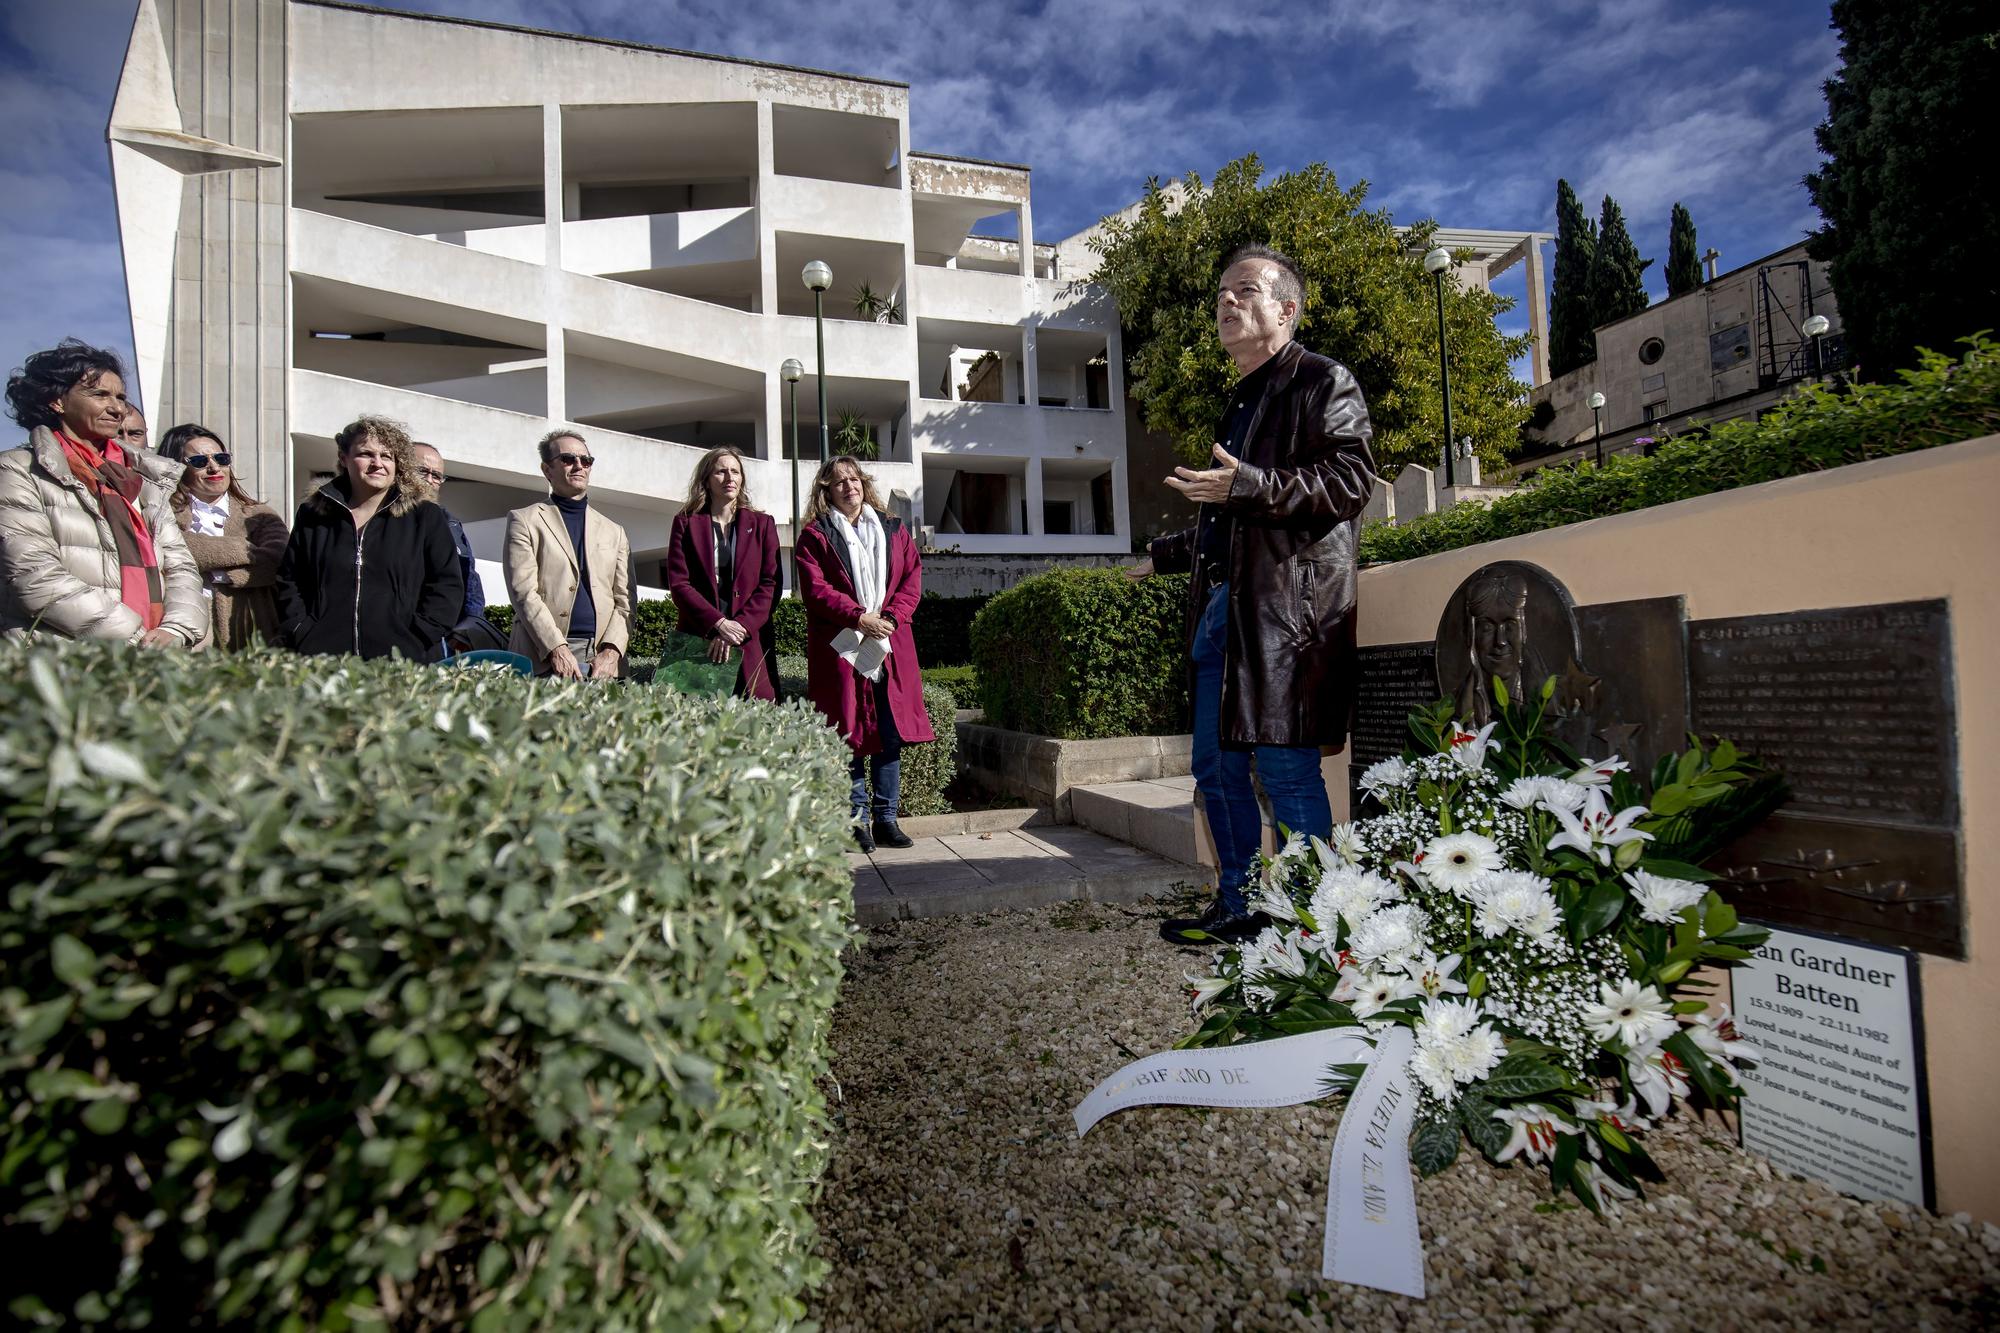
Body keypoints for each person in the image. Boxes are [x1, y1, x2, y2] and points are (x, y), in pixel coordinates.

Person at [1130, 244, 1377, 944]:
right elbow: (1231, 520)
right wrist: (1166, 554)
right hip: (1223, 614)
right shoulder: (1243, 400)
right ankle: (1239, 906)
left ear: (1287, 309)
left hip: (1283, 621)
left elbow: (1348, 484)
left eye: (1245, 291)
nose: (1227, 303)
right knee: (1215, 768)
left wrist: (1247, 485)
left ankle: (1320, 923)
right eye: (1221, 295)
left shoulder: (1323, 382)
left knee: (1285, 766)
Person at [0, 339, 204, 645]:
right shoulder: (19, 470)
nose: (117, 408)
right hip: (65, 657)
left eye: (120, 397)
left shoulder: (146, 478)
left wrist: (175, 631)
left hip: (156, 655)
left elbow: (180, 566)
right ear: (58, 401)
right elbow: (35, 576)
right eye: (99, 394)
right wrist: (135, 637)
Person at [793, 454, 933, 852]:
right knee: (849, 734)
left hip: (889, 643)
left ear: (864, 484)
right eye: (839, 482)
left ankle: (887, 820)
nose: (849, 487)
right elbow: (816, 589)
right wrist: (859, 618)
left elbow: (911, 578)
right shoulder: (815, 535)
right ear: (827, 491)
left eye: (854, 479)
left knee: (889, 736)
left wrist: (889, 617)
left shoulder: (893, 529)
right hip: (843, 647)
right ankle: (858, 825)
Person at [273, 415, 463, 661]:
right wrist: (302, 631)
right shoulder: (314, 513)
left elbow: (446, 585)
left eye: (387, 456)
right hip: (324, 659)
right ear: (344, 459)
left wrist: (418, 635)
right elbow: (290, 579)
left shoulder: (425, 516)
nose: (377, 463)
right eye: (366, 454)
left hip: (404, 660)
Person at [502, 428, 630, 679]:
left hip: (601, 660)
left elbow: (625, 602)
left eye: (586, 460)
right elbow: (524, 592)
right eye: (568, 459)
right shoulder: (524, 520)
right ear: (547, 470)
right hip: (540, 654)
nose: (579, 466)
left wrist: (612, 651)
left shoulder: (615, 531)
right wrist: (556, 648)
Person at [157, 423, 289, 650]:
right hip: (188, 628)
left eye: (221, 458)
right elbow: (174, 548)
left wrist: (214, 570)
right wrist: (245, 548)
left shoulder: (260, 515)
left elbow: (278, 559)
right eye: (199, 461)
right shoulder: (161, 513)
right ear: (177, 467)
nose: (214, 467)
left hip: (252, 630)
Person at [665, 446, 781, 700]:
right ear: (706, 479)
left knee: (759, 727)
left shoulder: (763, 524)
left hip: (749, 641)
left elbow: (770, 583)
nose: (729, 478)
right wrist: (718, 624)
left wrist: (739, 627)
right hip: (699, 638)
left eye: (735, 472)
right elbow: (679, 584)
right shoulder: (685, 523)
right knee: (695, 727)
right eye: (721, 472)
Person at [409, 442, 494, 651]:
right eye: (422, 472)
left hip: (445, 641)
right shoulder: (385, 520)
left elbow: (470, 580)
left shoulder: (452, 525)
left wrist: (469, 630)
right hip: (403, 635)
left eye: (436, 476)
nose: (430, 481)